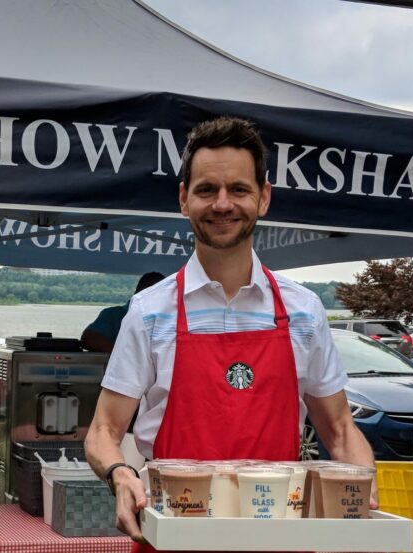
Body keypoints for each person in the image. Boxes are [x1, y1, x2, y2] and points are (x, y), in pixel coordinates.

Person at [83, 116, 376, 548]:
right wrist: (120, 474)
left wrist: (364, 495)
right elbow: (104, 431)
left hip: (276, 538)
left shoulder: (304, 312)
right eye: (206, 190)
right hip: (174, 536)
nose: (223, 204)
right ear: (184, 199)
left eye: (238, 189)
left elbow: (340, 430)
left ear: (264, 198)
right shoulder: (149, 313)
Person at [81, 272, 166, 353]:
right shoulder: (113, 315)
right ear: (138, 293)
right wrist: (122, 357)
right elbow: (90, 338)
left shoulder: (170, 320)